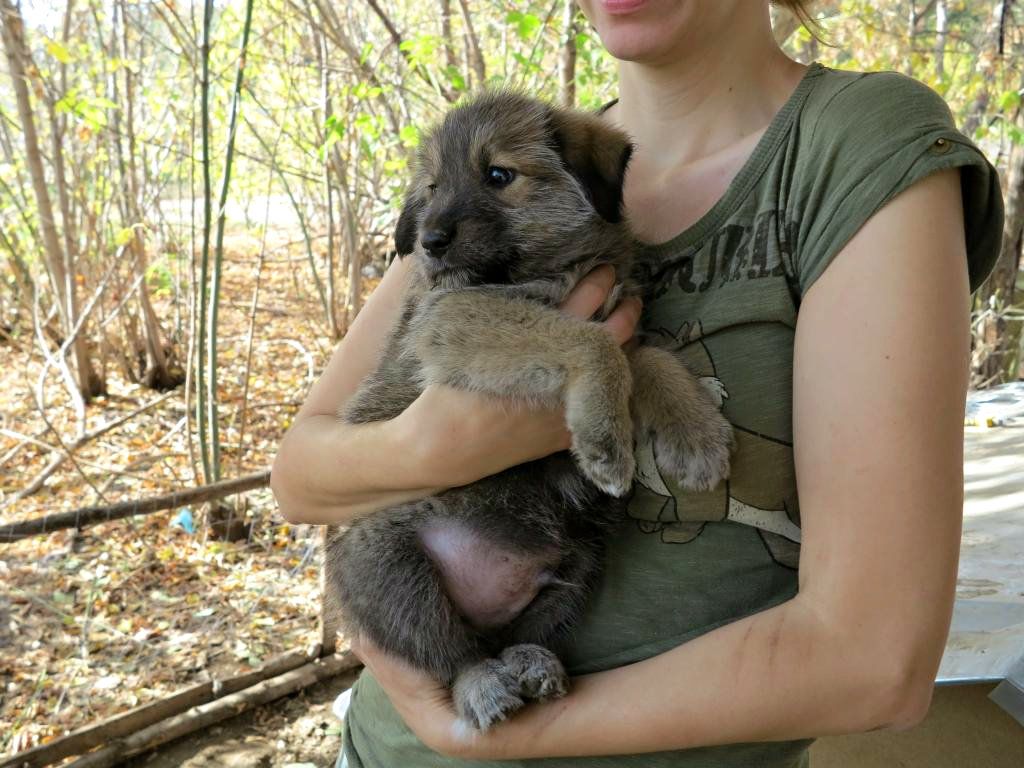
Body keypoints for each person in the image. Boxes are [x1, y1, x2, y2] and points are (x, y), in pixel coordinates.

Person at [270, 1, 1004, 765]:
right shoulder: (487, 191)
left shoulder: (852, 145)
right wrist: (436, 445)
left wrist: (479, 732)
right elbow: (300, 478)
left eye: (498, 179)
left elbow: (875, 663)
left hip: (501, 695)